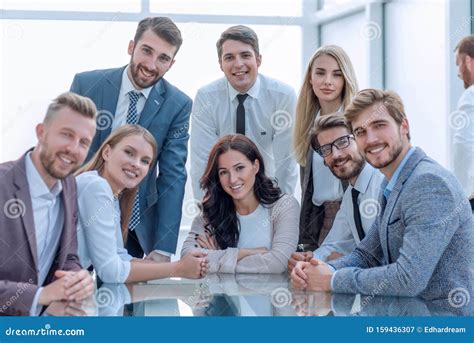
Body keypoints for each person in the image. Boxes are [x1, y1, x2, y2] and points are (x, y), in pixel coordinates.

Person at [291, 89, 473, 299]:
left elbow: (408, 279)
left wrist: (332, 280)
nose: (371, 139)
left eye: (379, 125)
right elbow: (366, 254)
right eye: (360, 131)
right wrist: (317, 271)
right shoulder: (392, 185)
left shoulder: (428, 183)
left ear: (404, 126)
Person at [70, 17, 191, 262]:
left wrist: (162, 248)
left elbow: (173, 176)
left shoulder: (178, 105)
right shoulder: (87, 85)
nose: (151, 64)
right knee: (75, 292)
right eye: (146, 51)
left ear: (172, 63)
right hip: (79, 215)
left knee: (125, 294)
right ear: (131, 47)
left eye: (163, 58)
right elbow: (68, 152)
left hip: (133, 224)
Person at [0, 92, 96, 316]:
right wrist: (39, 295)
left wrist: (77, 278)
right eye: (66, 135)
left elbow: (68, 255)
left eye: (84, 142)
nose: (73, 149)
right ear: (41, 133)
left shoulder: (69, 185)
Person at [75, 124, 208, 284]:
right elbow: (110, 271)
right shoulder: (96, 186)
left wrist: (178, 266)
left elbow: (119, 257)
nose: (136, 164)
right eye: (129, 153)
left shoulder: (112, 195)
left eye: (145, 161)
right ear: (107, 152)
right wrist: (179, 268)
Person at [190, 25, 297, 201]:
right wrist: (208, 211)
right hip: (223, 194)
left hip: (268, 192)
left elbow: (286, 163)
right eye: (229, 57)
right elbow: (201, 162)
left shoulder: (283, 96)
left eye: (245, 55)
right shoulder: (206, 97)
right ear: (220, 64)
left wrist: (281, 209)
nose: (238, 64)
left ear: (258, 59)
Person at [182, 134, 299, 273]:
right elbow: (187, 260)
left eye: (239, 168)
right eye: (224, 172)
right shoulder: (210, 213)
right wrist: (243, 253)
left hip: (272, 294)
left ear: (256, 166)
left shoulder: (284, 206)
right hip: (224, 295)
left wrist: (217, 258)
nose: (232, 179)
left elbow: (278, 264)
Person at [288, 113, 384, 272]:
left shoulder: (382, 185)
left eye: (342, 142)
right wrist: (309, 260)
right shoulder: (350, 196)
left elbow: (388, 259)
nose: (336, 154)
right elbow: (334, 244)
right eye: (326, 149)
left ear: (359, 139)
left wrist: (343, 263)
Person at [293, 45, 359, 251]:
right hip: (319, 222)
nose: (328, 81)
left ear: (345, 80)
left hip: (353, 221)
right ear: (310, 79)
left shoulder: (356, 124)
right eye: (320, 73)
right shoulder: (306, 126)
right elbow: (307, 193)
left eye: (337, 75)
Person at [453, 34, 474, 210]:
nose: (458, 73)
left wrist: (461, 190)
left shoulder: (471, 94)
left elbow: (463, 144)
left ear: (468, 60)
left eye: (458, 64)